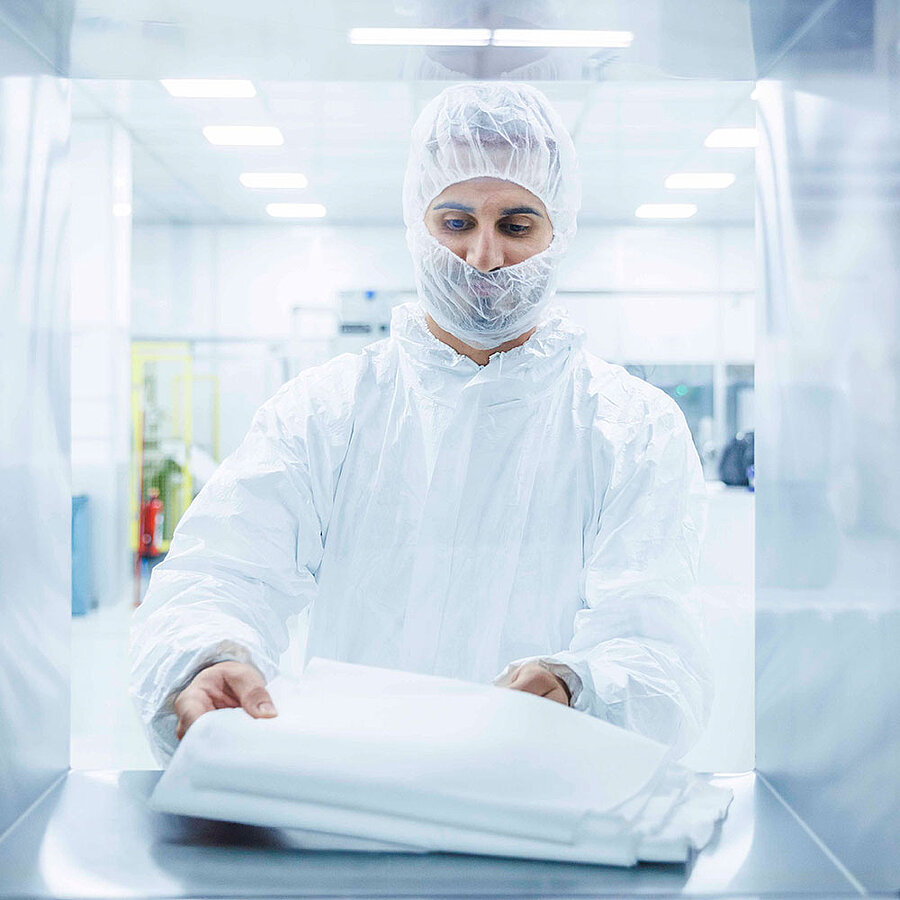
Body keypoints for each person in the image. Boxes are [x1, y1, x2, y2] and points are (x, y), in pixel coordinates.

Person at [131, 82, 712, 763]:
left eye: (517, 225)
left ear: (560, 234)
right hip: (354, 792)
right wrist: (206, 661)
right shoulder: (328, 411)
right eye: (457, 222)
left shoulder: (631, 428)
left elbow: (654, 641)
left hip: (539, 792)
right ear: (418, 224)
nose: (483, 258)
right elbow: (222, 575)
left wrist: (580, 688)